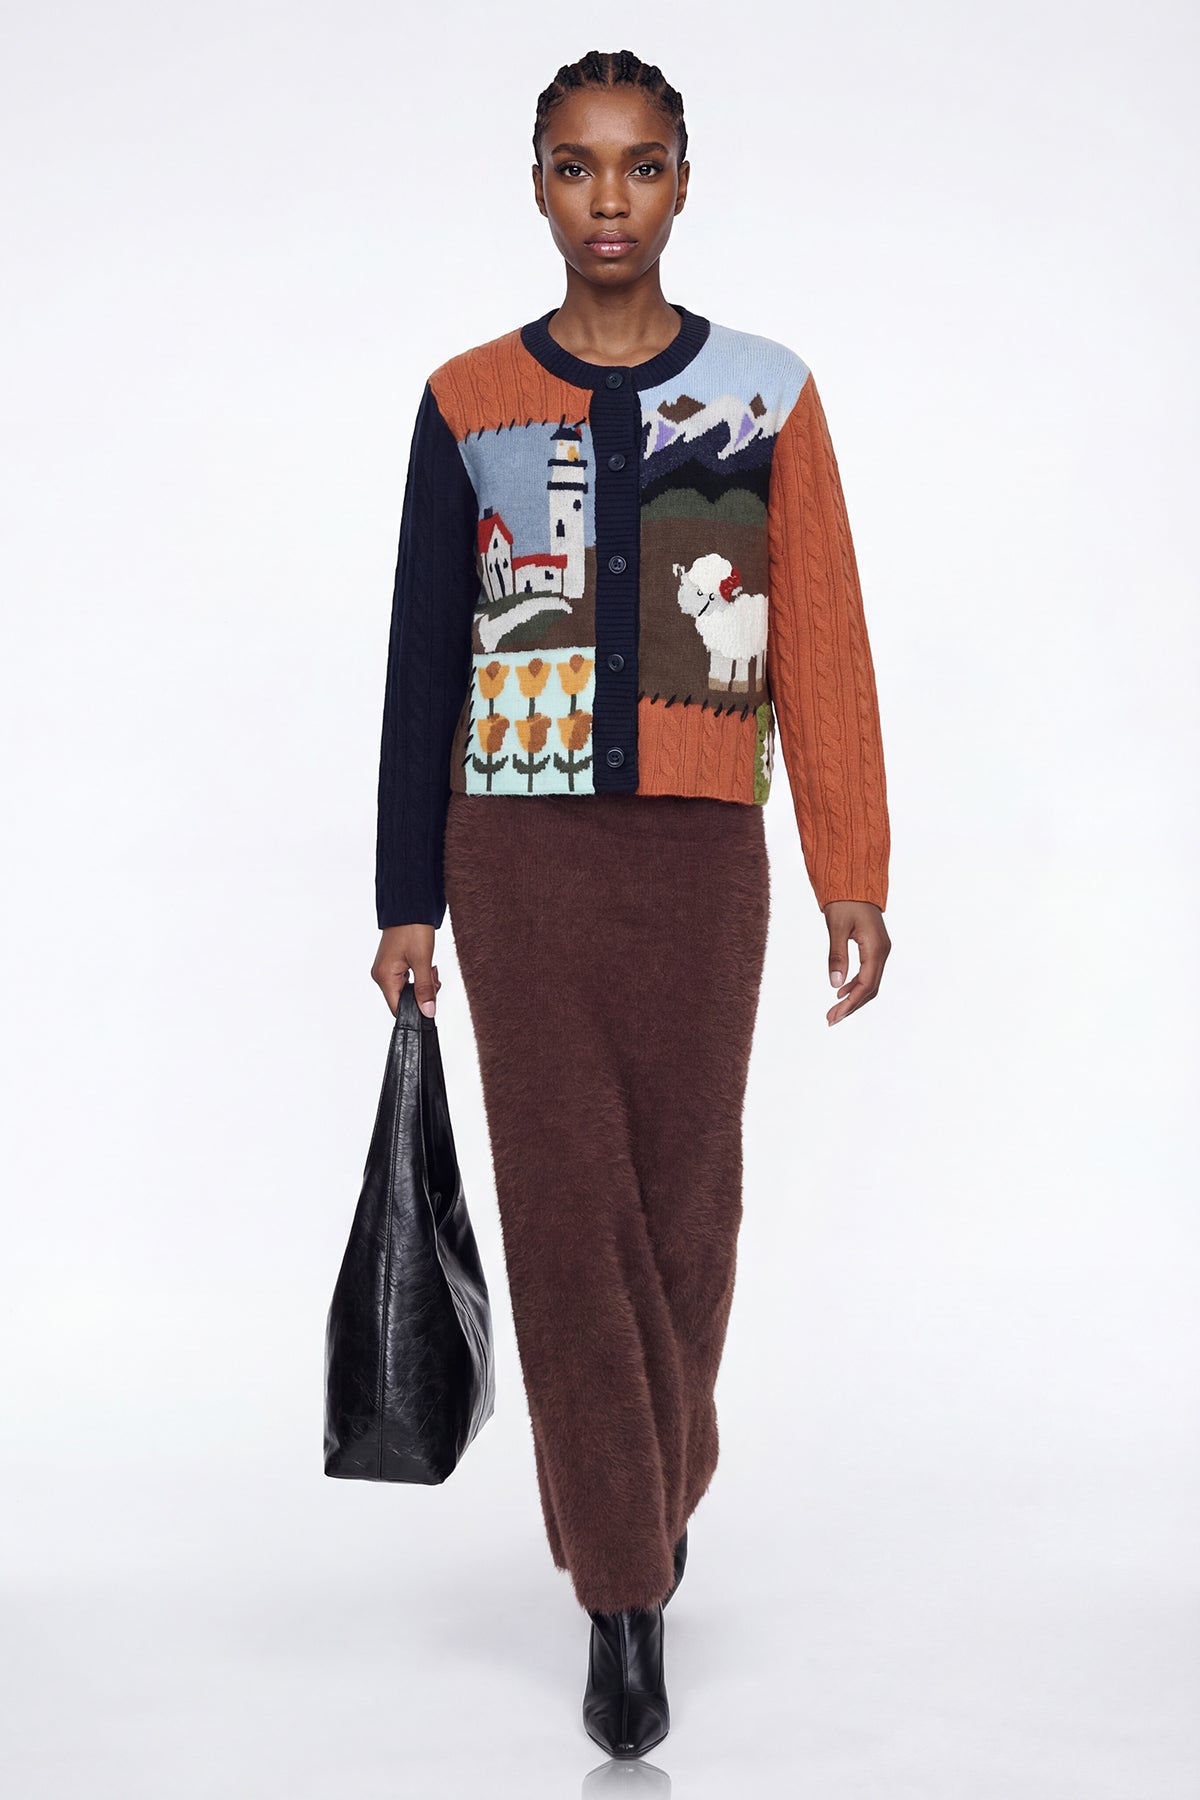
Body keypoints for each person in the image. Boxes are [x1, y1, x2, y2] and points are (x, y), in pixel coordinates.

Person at [370, 47, 892, 1762]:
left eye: (641, 164)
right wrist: (407, 897)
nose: (610, 198)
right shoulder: (467, 401)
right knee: (565, 1218)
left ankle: (654, 1493)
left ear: (683, 180)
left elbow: (821, 635)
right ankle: (621, 1597)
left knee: (688, 1214)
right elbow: (422, 658)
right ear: (536, 182)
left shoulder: (765, 395)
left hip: (697, 861)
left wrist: (852, 867)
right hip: (516, 864)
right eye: (578, 165)